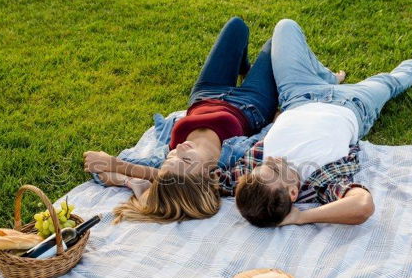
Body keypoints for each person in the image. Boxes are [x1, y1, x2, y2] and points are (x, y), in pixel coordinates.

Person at [228, 18, 412, 227]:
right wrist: (301, 217)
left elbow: (205, 180)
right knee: (389, 83)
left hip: (299, 94)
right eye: (275, 171)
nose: (272, 160)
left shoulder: (253, 170)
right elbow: (363, 205)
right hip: (354, 104)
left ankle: (328, 77)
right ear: (293, 193)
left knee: (286, 27)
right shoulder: (321, 180)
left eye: (263, 167)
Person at [83, 17, 286, 223]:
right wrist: (277, 117)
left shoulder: (163, 164)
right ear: (206, 177)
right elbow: (270, 137)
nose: (178, 150)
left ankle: (245, 71)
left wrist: (133, 182)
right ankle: (254, 78)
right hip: (252, 103)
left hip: (206, 94)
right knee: (278, 41)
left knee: (237, 26)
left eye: (171, 158)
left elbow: (98, 169)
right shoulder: (230, 164)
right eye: (186, 160)